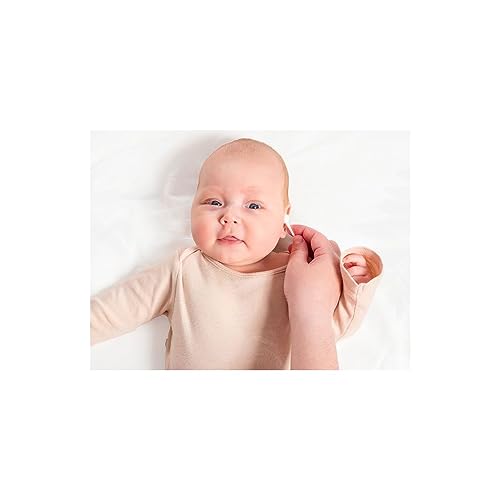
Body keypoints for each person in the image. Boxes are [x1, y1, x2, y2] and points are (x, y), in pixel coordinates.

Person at [91, 138, 383, 369]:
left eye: (253, 206)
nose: (229, 216)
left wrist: (354, 280)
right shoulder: (183, 269)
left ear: (284, 220)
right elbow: (109, 313)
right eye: (214, 202)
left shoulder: (299, 276)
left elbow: (332, 329)